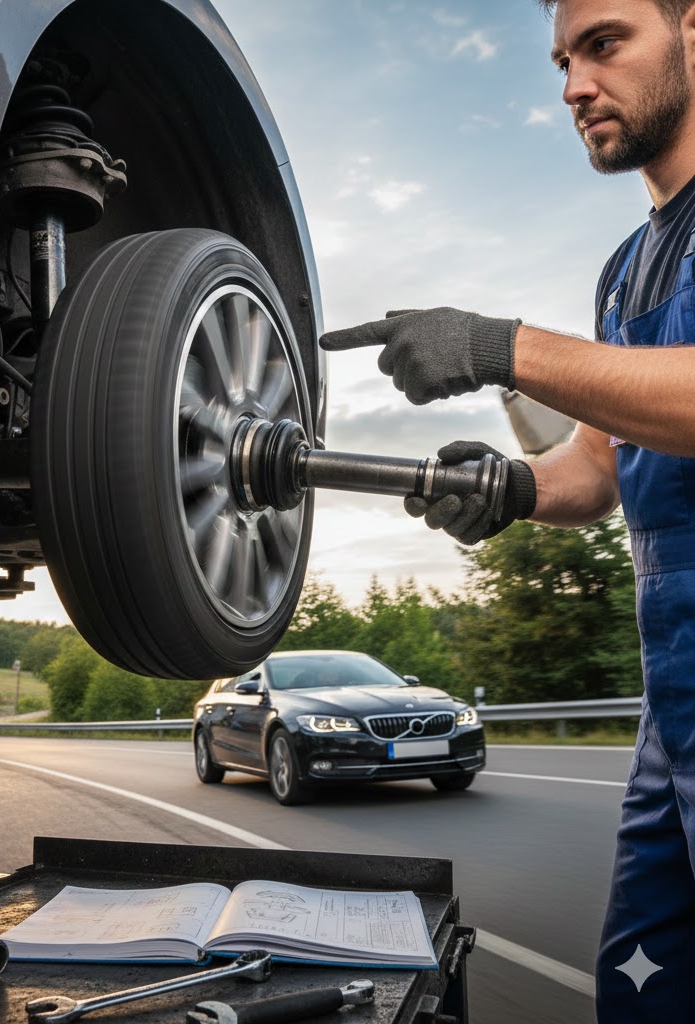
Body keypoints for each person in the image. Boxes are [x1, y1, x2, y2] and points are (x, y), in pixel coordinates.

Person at [319, 1, 695, 1020]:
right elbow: (600, 466)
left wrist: (498, 345)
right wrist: (509, 487)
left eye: (605, 43)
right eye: (564, 60)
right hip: (675, 695)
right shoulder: (626, 272)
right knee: (644, 988)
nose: (574, 85)